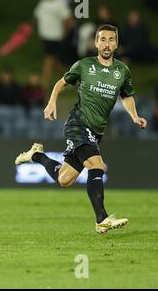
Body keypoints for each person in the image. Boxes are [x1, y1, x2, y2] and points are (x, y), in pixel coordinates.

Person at [15, 25, 148, 234]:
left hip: (96, 131)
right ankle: (101, 219)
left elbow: (127, 95)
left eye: (111, 40)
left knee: (64, 179)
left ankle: (36, 156)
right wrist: (51, 103)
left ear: (116, 43)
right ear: (95, 43)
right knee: (98, 166)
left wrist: (134, 115)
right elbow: (61, 83)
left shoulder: (122, 71)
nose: (106, 44)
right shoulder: (84, 66)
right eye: (102, 39)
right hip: (78, 124)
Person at [33, 0, 72, 89]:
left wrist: (65, 34)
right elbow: (37, 17)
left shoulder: (60, 3)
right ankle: (65, 80)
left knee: (49, 60)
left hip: (56, 37)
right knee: (55, 62)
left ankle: (44, 84)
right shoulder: (43, 3)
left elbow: (68, 19)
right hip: (45, 37)